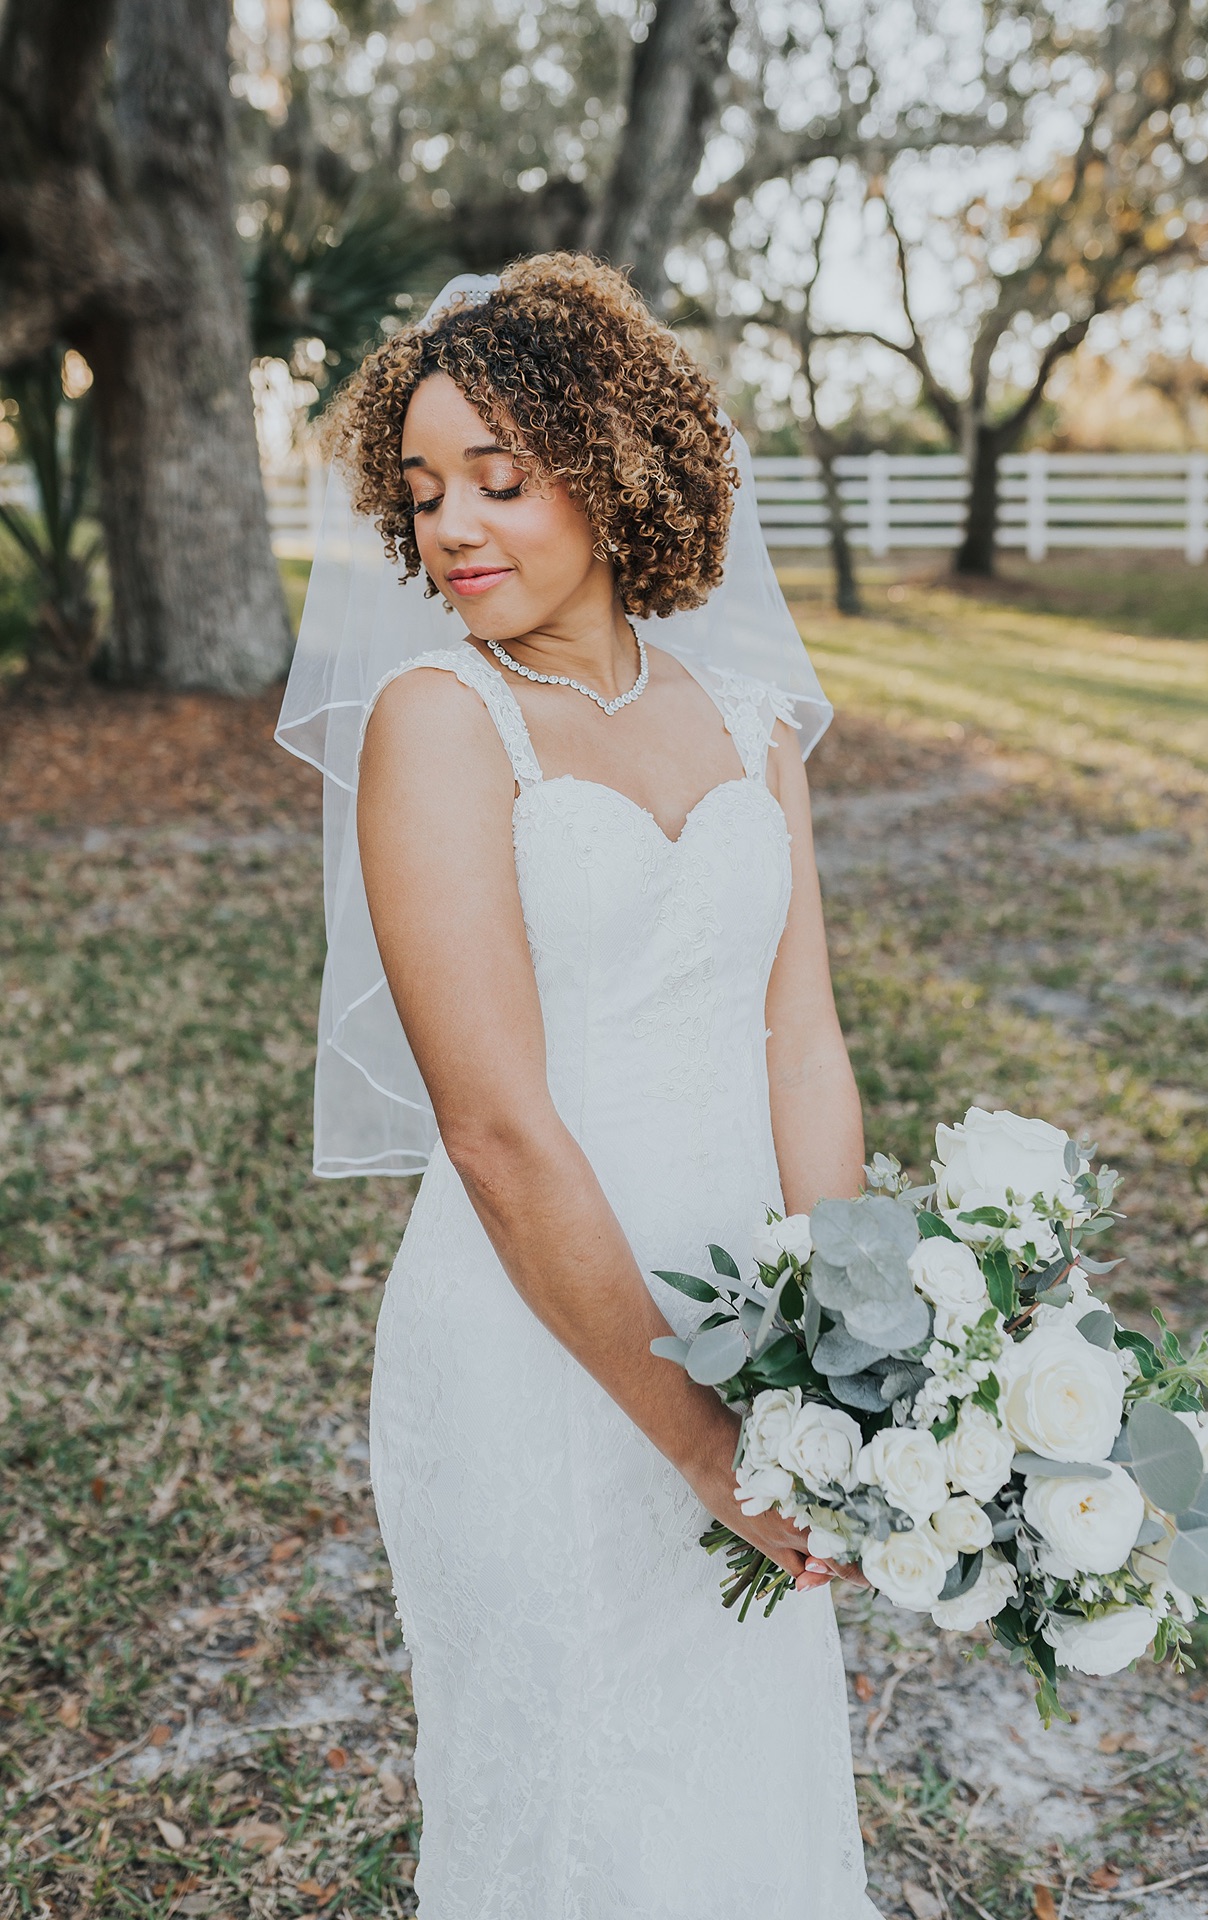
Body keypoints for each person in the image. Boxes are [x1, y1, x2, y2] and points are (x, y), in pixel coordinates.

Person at [279, 252, 881, 1918]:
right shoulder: (438, 723)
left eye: (500, 477)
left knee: (736, 1771)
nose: (453, 527)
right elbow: (489, 1124)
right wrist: (700, 1449)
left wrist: (847, 1349)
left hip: (748, 1321)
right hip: (538, 1346)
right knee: (572, 1805)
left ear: (615, 470)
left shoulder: (751, 722)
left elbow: (803, 1038)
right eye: (421, 491)